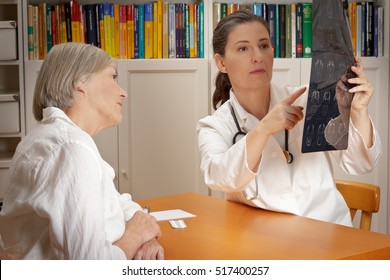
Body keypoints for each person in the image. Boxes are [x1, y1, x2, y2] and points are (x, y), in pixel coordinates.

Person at [197, 9, 382, 226]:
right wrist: (263, 129)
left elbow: (361, 165)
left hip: (329, 235)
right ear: (221, 63)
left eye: (264, 45)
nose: (257, 56)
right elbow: (219, 178)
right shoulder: (214, 126)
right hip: (267, 243)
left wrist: (358, 111)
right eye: (243, 48)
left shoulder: (308, 100)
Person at [0, 43, 163, 260]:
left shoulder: (61, 138)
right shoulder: (70, 149)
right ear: (79, 82)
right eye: (113, 76)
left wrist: (143, 227)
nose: (123, 92)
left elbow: (116, 200)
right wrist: (135, 235)